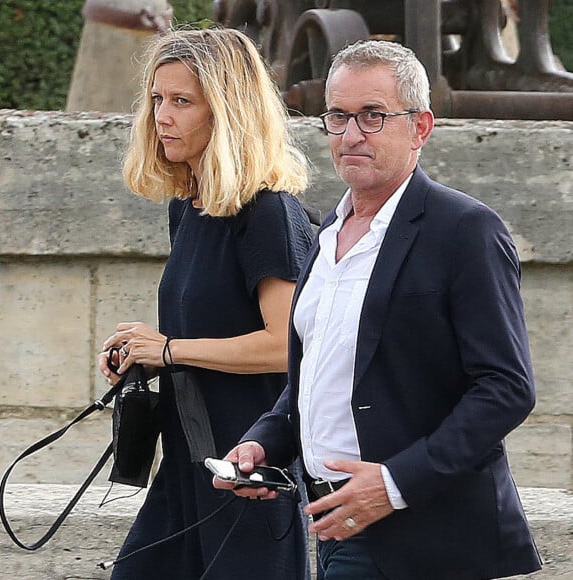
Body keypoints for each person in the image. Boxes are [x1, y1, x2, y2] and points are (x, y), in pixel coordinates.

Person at [216, 39, 543, 579]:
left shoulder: (465, 230)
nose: (350, 135)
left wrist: (393, 485)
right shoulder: (325, 233)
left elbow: (507, 388)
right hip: (333, 522)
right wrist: (262, 441)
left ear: (420, 127)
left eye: (372, 116)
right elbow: (321, 380)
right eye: (338, 116)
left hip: (428, 537)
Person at [98, 27, 314, 580]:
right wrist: (146, 355)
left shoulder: (269, 214)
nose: (160, 117)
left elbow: (285, 346)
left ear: (228, 111)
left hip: (246, 472)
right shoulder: (189, 210)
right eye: (155, 99)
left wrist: (169, 348)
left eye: (181, 101)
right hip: (186, 462)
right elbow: (207, 334)